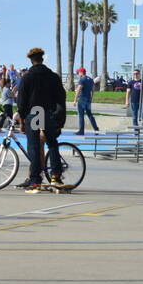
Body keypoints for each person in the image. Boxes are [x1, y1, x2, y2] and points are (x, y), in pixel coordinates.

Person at [13, 47, 67, 192]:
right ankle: (56, 176)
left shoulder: (27, 77)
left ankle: (35, 179)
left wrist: (22, 120)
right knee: (52, 144)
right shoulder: (53, 76)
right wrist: (60, 120)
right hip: (49, 112)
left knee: (34, 146)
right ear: (42, 59)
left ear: (31, 60)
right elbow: (61, 98)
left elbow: (21, 101)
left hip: (34, 113)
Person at [74, 67, 100, 136]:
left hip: (82, 99)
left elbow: (79, 89)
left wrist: (75, 100)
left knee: (81, 115)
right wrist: (91, 98)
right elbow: (93, 89)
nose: (78, 73)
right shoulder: (90, 79)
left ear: (82, 73)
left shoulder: (82, 80)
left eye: (79, 72)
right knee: (89, 114)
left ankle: (81, 131)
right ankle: (96, 128)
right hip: (88, 99)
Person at [126, 69, 143, 134]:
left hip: (142, 102)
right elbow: (128, 93)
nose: (135, 75)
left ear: (139, 74)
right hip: (134, 101)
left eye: (137, 73)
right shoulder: (130, 82)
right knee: (135, 117)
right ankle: (136, 131)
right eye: (134, 74)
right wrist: (127, 101)